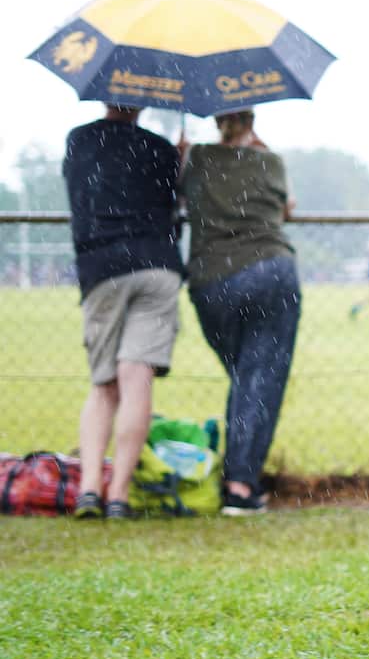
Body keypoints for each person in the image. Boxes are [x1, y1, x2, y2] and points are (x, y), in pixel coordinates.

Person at [64, 104, 183, 519]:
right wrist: (178, 161)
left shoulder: (80, 140)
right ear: (143, 101)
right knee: (137, 380)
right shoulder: (162, 149)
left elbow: (83, 196)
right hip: (157, 264)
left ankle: (89, 489)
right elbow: (173, 205)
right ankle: (119, 495)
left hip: (103, 266)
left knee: (104, 386)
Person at [180, 109, 301, 516]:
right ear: (253, 118)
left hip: (211, 280)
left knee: (246, 375)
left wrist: (185, 157)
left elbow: (180, 196)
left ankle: (236, 473)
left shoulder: (197, 158)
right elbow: (287, 207)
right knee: (260, 377)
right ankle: (241, 485)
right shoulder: (270, 162)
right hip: (270, 271)